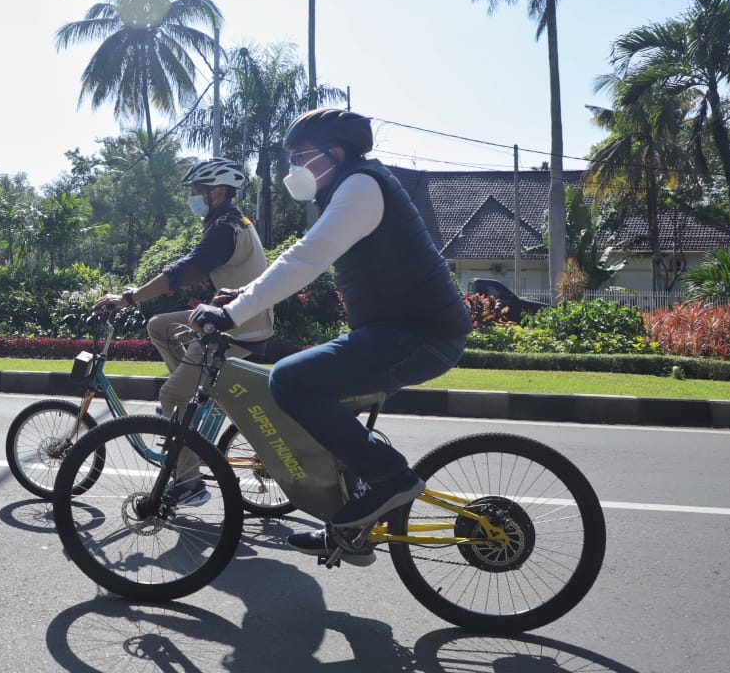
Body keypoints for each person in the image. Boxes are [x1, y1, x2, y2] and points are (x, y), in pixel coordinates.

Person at [191, 108, 473, 562]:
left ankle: (390, 477)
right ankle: (351, 530)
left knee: (289, 379)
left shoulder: (362, 186)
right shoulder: (352, 186)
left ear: (334, 153)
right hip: (399, 333)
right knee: (320, 402)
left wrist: (237, 312)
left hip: (420, 336)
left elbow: (308, 257)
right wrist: (241, 295)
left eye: (300, 155)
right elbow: (300, 259)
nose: (292, 168)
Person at [94, 157, 274, 506]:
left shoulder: (225, 228)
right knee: (159, 325)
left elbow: (186, 271)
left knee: (171, 397)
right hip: (239, 320)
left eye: (197, 191)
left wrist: (128, 298)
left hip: (238, 332)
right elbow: (188, 267)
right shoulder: (228, 221)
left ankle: (191, 484)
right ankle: (192, 398)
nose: (193, 197)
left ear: (218, 191)